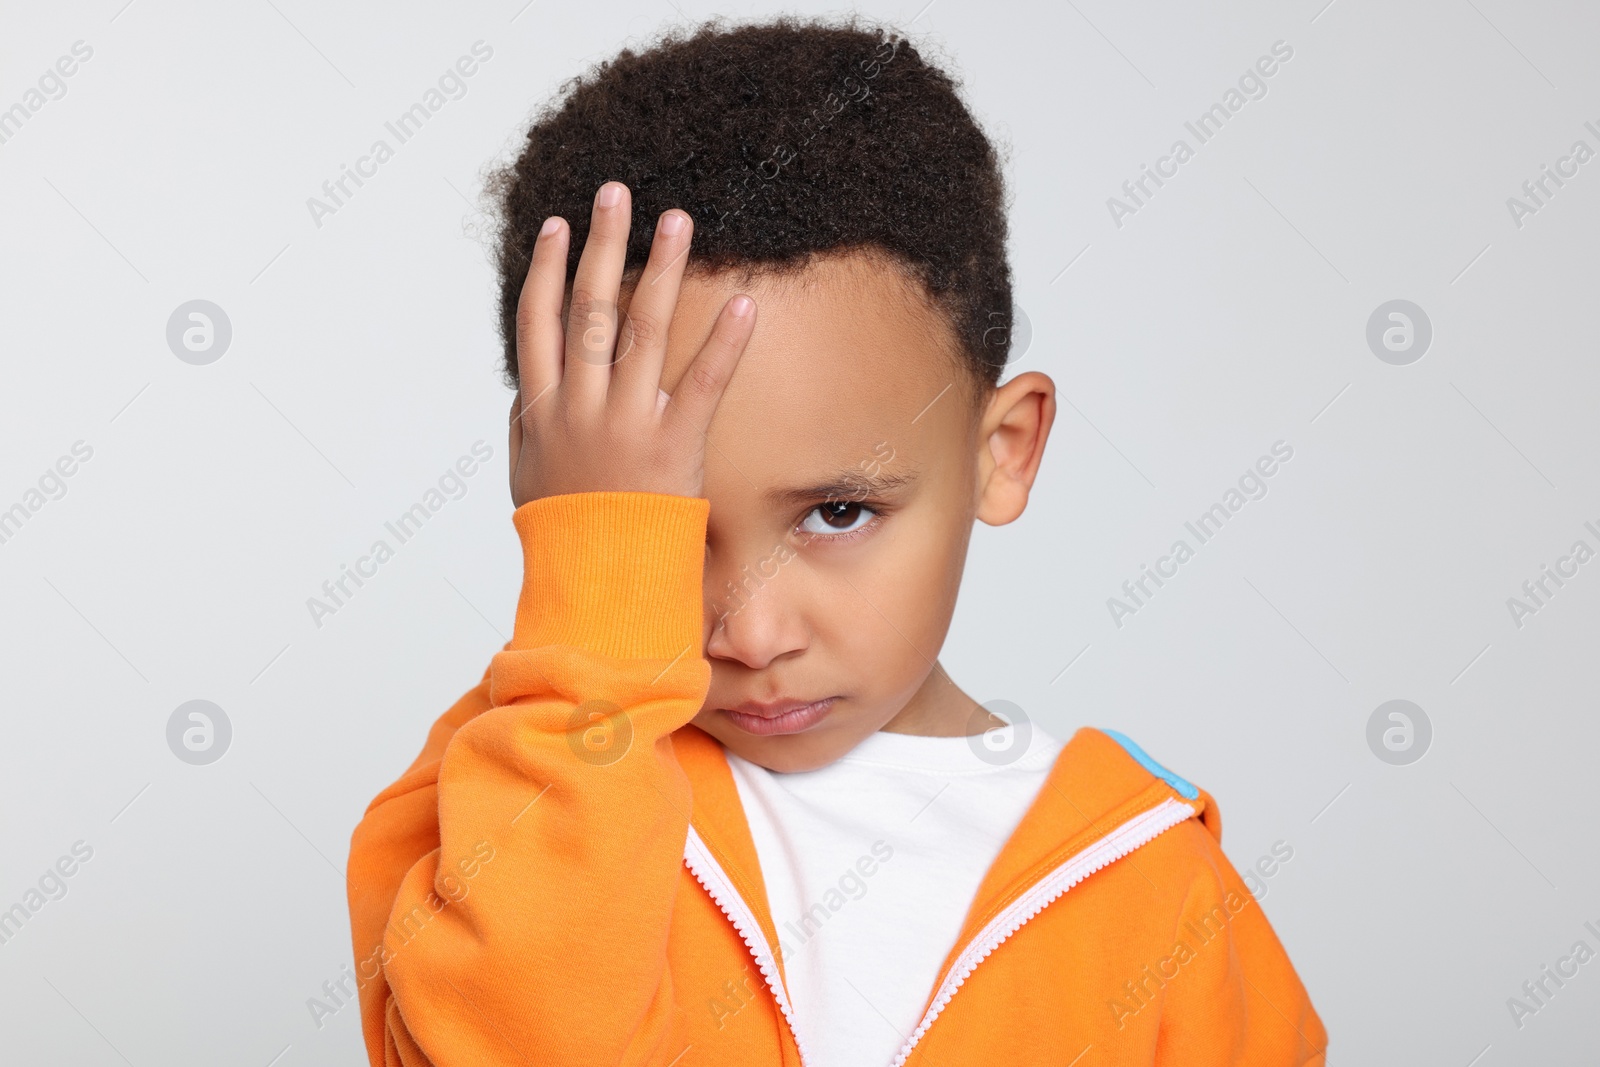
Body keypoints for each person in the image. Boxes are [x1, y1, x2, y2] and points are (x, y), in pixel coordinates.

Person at [346, 16, 1326, 1065]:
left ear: (1003, 449)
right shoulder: (515, 796)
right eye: (665, 535)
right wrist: (594, 611)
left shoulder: (1157, 884)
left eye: (838, 511)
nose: (750, 630)